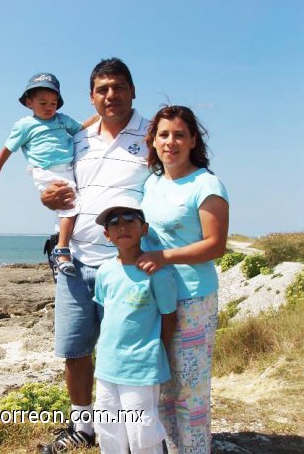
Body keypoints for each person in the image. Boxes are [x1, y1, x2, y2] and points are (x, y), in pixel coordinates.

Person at [39, 58, 152, 453]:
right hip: (73, 261)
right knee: (74, 348)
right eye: (102, 89)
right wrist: (45, 196)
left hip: (123, 265)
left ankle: (140, 431)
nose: (111, 95)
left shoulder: (153, 135)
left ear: (133, 91)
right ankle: (83, 426)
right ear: (91, 97)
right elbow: (57, 185)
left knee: (126, 350)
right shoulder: (78, 137)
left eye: (119, 87)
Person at [137, 105, 229, 453]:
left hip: (193, 298)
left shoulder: (206, 184)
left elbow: (216, 245)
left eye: (179, 134)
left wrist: (164, 257)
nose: (170, 141)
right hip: (155, 297)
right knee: (161, 385)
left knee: (190, 390)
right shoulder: (151, 183)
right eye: (163, 134)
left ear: (192, 140)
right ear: (153, 141)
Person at [93, 197, 177, 454]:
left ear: (144, 228)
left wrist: (154, 351)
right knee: (108, 426)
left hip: (141, 367)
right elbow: (106, 312)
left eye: (130, 219)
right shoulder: (104, 271)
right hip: (108, 364)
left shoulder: (159, 275)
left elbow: (168, 317)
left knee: (142, 431)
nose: (123, 226)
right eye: (114, 222)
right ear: (107, 234)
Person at [0, 72, 83, 276]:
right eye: (43, 103)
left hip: (67, 168)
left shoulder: (62, 120)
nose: (49, 108)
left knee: (70, 206)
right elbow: (8, 148)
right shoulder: (25, 125)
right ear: (29, 103)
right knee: (70, 205)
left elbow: (83, 130)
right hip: (45, 170)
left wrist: (101, 118)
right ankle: (62, 250)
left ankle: (62, 246)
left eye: (53, 103)